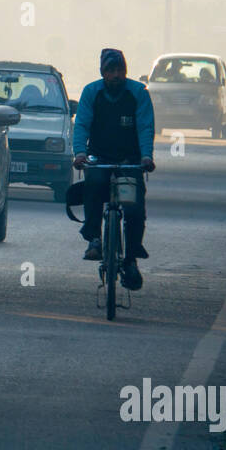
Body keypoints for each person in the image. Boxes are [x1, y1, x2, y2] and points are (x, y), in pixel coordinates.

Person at [72, 48, 156, 290]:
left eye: (120, 70)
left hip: (130, 159)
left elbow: (145, 126)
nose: (116, 75)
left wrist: (146, 156)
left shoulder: (138, 93)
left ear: (125, 71)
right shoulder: (91, 92)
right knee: (94, 185)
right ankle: (95, 238)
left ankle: (131, 258)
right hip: (98, 157)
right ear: (103, 72)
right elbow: (82, 125)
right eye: (111, 70)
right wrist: (80, 153)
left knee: (133, 208)